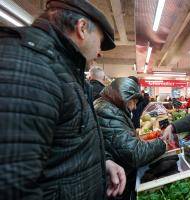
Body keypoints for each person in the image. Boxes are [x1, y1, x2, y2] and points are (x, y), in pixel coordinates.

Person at [0, 0, 126, 199]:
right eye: (100, 42)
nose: (100, 52)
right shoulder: (30, 65)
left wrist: (104, 162)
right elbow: (13, 183)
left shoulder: (64, 71)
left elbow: (68, 140)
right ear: (82, 28)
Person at [94, 78, 167, 199]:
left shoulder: (108, 107)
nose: (134, 107)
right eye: (133, 102)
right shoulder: (107, 111)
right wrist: (162, 144)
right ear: (125, 97)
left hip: (114, 177)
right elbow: (133, 153)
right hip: (114, 183)